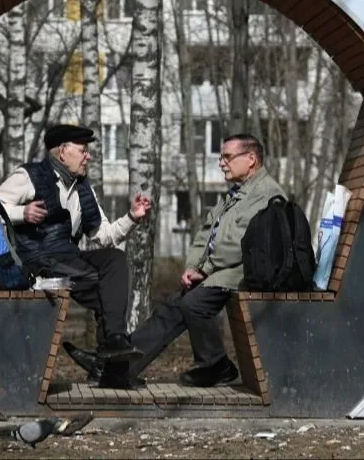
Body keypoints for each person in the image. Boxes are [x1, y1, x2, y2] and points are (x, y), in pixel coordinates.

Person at [64, 133, 286, 388]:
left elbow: (240, 244)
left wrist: (205, 268)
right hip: (221, 271)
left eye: (227, 157)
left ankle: (215, 365)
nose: (221, 162)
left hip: (245, 273)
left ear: (251, 159)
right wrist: (193, 266)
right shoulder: (235, 195)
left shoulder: (265, 195)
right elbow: (204, 234)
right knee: (173, 306)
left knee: (193, 303)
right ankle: (115, 368)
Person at [0, 123, 152, 365]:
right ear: (63, 152)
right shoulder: (29, 176)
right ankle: (110, 360)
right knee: (106, 290)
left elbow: (104, 235)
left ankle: (112, 346)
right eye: (83, 150)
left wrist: (132, 217)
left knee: (114, 259)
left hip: (68, 259)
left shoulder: (84, 188)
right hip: (38, 261)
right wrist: (23, 212)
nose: (89, 156)